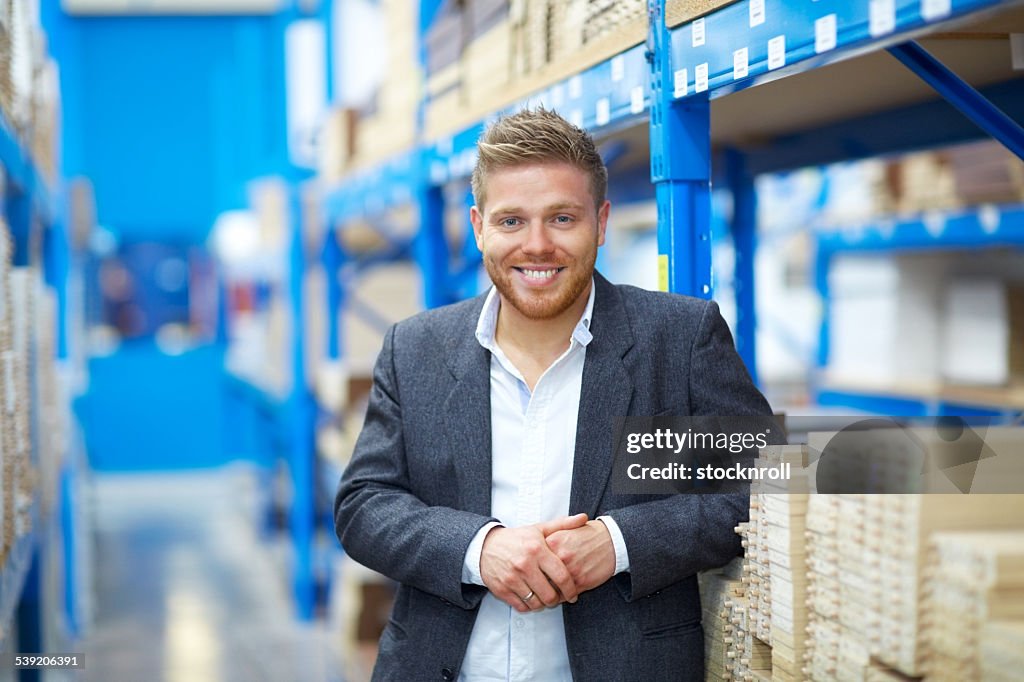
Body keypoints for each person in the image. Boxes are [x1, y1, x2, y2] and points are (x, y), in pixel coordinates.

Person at [334, 107, 773, 681]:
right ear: (478, 227)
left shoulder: (677, 339)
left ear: (602, 220)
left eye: (562, 218)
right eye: (511, 221)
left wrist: (616, 543)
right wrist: (478, 549)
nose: (537, 246)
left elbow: (759, 488)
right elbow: (365, 504)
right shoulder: (416, 348)